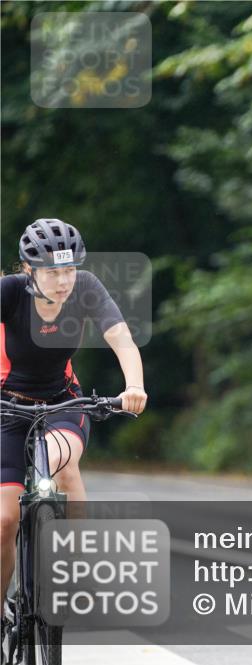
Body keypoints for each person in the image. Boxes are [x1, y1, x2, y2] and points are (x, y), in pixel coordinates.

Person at [0, 218, 147, 601]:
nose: (64, 281)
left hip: (64, 402)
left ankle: (74, 561)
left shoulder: (85, 289)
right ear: (30, 270)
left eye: (69, 269)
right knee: (4, 520)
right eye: (53, 272)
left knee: (59, 463)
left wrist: (133, 386)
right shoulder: (10, 292)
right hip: (6, 409)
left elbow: (121, 337)